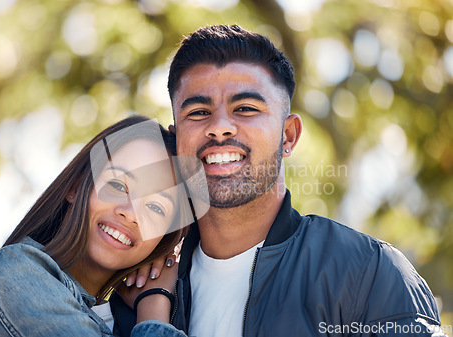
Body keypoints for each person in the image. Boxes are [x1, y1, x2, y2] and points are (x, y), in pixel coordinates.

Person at [164, 25, 446, 336]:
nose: (219, 128)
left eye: (245, 108)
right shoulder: (147, 287)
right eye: (199, 112)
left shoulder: (367, 273)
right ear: (176, 140)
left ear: (288, 136)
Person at [0, 116, 188, 337]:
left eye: (157, 208)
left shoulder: (123, 319)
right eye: (118, 185)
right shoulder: (12, 275)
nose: (130, 213)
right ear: (75, 186)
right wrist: (154, 305)